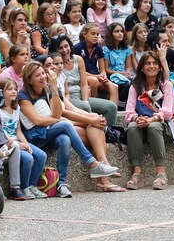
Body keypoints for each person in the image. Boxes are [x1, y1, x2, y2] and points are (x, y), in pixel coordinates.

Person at [18, 61, 118, 198]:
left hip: (47, 132)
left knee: (65, 139)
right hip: (33, 136)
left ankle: (61, 184)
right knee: (65, 125)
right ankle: (92, 163)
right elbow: (37, 121)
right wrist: (61, 121)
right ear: (29, 80)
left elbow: (58, 113)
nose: (42, 77)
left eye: (43, 73)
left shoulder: (48, 88)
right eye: (37, 75)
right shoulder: (23, 96)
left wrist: (53, 88)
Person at [124, 50, 174, 190]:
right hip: (141, 122)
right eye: (147, 63)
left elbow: (168, 113)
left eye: (154, 63)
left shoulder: (166, 85)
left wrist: (151, 119)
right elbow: (129, 111)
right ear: (141, 67)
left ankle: (161, 173)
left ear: (159, 67)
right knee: (133, 126)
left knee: (153, 127)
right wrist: (138, 118)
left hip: (161, 125)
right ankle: (137, 174)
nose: (151, 66)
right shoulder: (135, 86)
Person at [0, 78, 48, 200]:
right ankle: (23, 188)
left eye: (15, 89)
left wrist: (25, 143)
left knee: (41, 156)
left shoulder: (16, 107)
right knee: (28, 158)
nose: (14, 92)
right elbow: (0, 132)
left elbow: (18, 130)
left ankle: (32, 186)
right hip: (7, 143)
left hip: (17, 140)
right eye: (9, 89)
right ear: (0, 92)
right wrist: (17, 144)